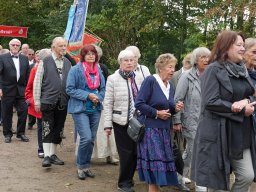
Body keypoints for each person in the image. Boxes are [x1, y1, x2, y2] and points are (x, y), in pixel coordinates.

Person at [191, 30, 256, 192]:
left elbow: (251, 94)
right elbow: (210, 102)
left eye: (243, 45)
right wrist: (239, 109)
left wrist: (246, 101)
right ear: (226, 47)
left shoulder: (242, 70)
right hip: (217, 134)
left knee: (247, 175)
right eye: (239, 45)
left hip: (241, 133)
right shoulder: (213, 69)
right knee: (217, 185)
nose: (243, 48)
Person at [135, 53, 184, 192]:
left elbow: (168, 110)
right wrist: (156, 113)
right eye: (169, 67)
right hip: (150, 131)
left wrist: (175, 108)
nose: (172, 70)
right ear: (160, 67)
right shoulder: (151, 81)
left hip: (164, 131)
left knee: (159, 167)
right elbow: (139, 103)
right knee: (154, 168)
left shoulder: (170, 86)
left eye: (174, 67)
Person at [173, 47, 210, 192]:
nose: (206, 60)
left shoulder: (211, 75)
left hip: (208, 120)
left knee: (191, 150)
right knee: (197, 149)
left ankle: (181, 173)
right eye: (203, 57)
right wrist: (176, 120)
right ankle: (199, 182)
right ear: (196, 60)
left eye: (208, 57)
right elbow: (178, 99)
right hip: (190, 120)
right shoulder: (187, 76)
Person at [66, 45, 105, 180]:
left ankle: (87, 166)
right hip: (80, 108)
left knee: (91, 139)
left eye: (93, 54)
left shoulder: (98, 70)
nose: (91, 56)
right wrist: (88, 95)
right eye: (87, 54)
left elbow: (103, 89)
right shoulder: (75, 70)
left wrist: (98, 97)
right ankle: (81, 166)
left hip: (95, 109)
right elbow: (70, 89)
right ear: (83, 56)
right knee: (86, 138)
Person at [104, 49, 140, 192]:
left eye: (131, 60)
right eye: (126, 60)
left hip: (138, 121)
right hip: (120, 121)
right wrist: (107, 125)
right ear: (120, 62)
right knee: (126, 153)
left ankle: (129, 179)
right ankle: (124, 183)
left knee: (136, 152)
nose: (129, 63)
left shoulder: (139, 77)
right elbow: (108, 103)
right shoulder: (112, 79)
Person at [33, 37, 71, 167]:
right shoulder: (45, 61)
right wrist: (37, 101)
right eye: (61, 46)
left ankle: (53, 154)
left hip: (63, 101)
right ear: (53, 47)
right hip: (47, 100)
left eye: (65, 45)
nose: (63, 48)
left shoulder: (67, 62)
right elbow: (37, 82)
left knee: (59, 128)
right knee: (47, 127)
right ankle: (47, 156)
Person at [91, 45, 119, 164]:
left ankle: (110, 155)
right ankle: (88, 155)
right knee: (91, 130)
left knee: (106, 129)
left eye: (97, 56)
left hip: (102, 101)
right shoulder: (81, 68)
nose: (95, 58)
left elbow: (107, 85)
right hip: (88, 102)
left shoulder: (103, 68)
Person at [0, 38, 30, 143]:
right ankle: (7, 134)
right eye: (13, 45)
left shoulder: (24, 58)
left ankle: (20, 133)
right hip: (7, 89)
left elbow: (28, 74)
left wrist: (27, 88)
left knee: (24, 111)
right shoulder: (2, 58)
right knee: (7, 112)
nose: (15, 46)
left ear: (20, 47)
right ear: (9, 46)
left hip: (21, 90)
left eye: (17, 45)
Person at [25, 48, 51, 158]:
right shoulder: (35, 70)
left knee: (50, 126)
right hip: (40, 103)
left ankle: (50, 149)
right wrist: (31, 100)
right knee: (41, 126)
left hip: (52, 102)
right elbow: (29, 87)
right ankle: (41, 148)